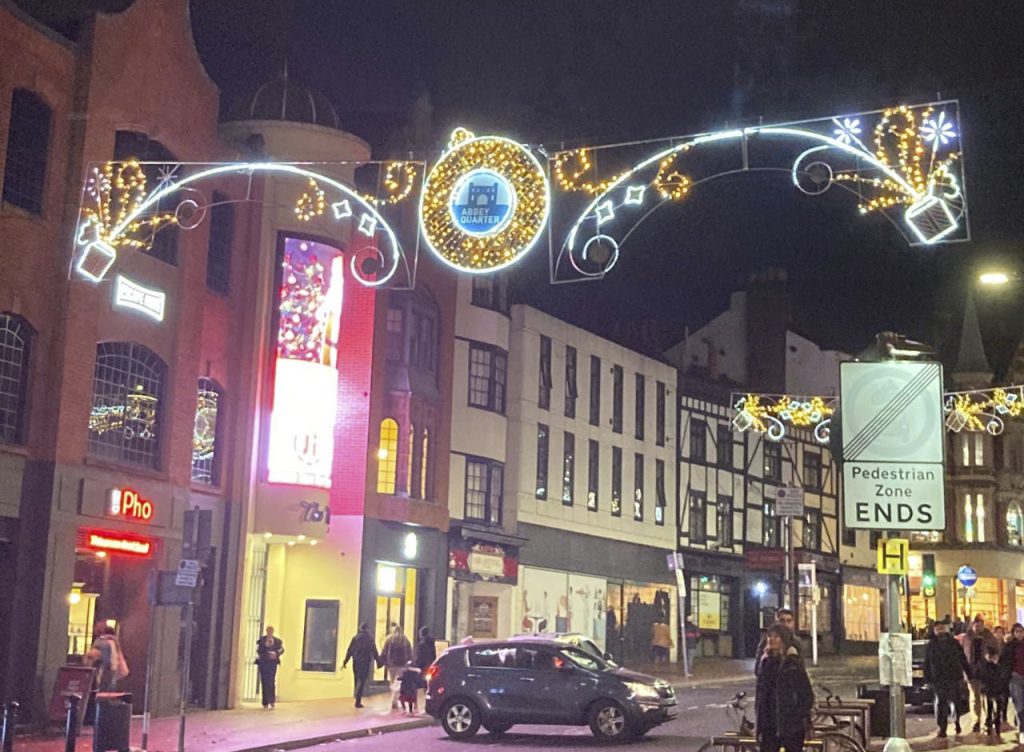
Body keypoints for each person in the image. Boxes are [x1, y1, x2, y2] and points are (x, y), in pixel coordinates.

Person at [755, 623, 814, 752]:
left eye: (776, 636)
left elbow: (806, 695)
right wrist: (759, 724)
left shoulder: (793, 663)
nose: (771, 639)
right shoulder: (765, 663)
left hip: (791, 727)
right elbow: (761, 694)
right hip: (769, 725)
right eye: (770, 636)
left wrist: (796, 717)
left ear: (784, 639)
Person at [924, 618, 971, 738]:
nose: (940, 631)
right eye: (937, 629)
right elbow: (927, 663)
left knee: (955, 701)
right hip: (938, 679)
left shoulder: (953, 643)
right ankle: (942, 727)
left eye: (942, 628)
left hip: (953, 677)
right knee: (940, 702)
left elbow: (962, 658)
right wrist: (928, 679)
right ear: (934, 631)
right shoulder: (931, 645)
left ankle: (956, 721)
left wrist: (968, 673)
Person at [959, 616, 1001, 732]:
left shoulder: (989, 637)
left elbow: (997, 652)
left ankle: (987, 720)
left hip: (986, 671)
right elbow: (962, 654)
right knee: (974, 696)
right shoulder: (967, 638)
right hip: (971, 670)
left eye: (979, 625)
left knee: (985, 697)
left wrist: (992, 659)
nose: (977, 628)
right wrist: (964, 670)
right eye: (975, 625)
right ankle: (976, 721)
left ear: (983, 625)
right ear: (972, 625)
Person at [342, 623, 379, 708]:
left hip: (356, 662)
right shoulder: (369, 639)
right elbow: (374, 650)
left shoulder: (355, 638)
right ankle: (358, 699)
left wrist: (345, 661)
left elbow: (350, 650)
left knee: (356, 679)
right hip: (365, 662)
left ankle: (356, 695)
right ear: (367, 629)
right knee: (362, 681)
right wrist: (378, 661)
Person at [975, 646, 1010, 735]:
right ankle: (988, 722)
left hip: (998, 688)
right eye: (989, 656)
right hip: (987, 688)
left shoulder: (1000, 664)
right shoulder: (982, 664)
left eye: (993, 656)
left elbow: (1004, 675)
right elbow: (979, 675)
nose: (991, 658)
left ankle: (997, 722)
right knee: (988, 706)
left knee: (998, 706)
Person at [755, 608, 800, 677]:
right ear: (776, 621)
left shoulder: (796, 642)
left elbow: (801, 669)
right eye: (782, 620)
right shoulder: (766, 642)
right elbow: (758, 671)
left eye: (789, 621)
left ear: (793, 623)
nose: (785, 624)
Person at [1000, 623, 1024, 744]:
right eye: (1017, 631)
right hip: (1015, 678)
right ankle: (1022, 730)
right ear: (1013, 633)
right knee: (1019, 704)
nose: (1019, 634)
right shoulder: (1009, 646)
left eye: (1021, 631)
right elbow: (1003, 662)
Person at [380, 623, 413, 710]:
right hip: (402, 665)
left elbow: (384, 651)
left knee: (392, 682)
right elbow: (410, 653)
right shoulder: (405, 640)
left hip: (391, 665)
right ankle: (394, 701)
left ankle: (394, 701)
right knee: (398, 683)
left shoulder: (389, 639)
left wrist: (383, 661)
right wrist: (409, 662)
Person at [88, 624, 129, 692]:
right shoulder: (113, 643)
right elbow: (114, 663)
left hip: (100, 675)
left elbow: (93, 657)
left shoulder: (100, 642)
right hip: (110, 676)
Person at [255, 626, 284, 709]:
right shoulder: (262, 640)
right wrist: (266, 650)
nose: (270, 632)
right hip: (263, 663)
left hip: (272, 663)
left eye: (271, 631)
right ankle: (265, 702)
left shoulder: (278, 641)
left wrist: (276, 653)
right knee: (264, 682)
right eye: (268, 631)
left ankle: (272, 701)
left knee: (271, 681)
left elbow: (281, 649)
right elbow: (259, 650)